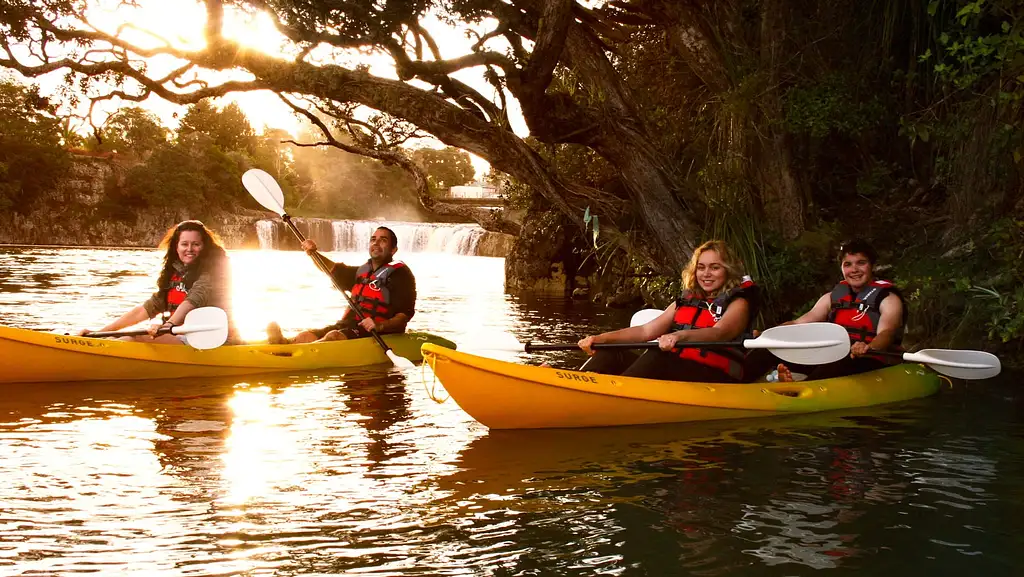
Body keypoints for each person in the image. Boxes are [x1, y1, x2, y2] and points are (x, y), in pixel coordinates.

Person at [574, 240, 759, 383]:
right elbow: (645, 331)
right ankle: (573, 385)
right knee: (612, 353)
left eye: (715, 267)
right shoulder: (687, 300)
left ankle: (612, 395)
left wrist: (679, 336)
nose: (706, 274)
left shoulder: (739, 302)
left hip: (717, 376)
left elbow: (720, 333)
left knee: (659, 355)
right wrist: (600, 339)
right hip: (679, 368)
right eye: (701, 268)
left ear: (728, 270)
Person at [751, 238, 905, 381]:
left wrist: (868, 347)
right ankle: (737, 384)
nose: (854, 269)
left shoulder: (888, 299)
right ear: (841, 268)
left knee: (838, 361)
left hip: (868, 357)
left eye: (861, 263)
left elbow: (887, 333)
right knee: (766, 350)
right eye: (848, 264)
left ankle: (800, 389)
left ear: (872, 266)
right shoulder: (832, 298)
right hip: (834, 355)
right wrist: (767, 335)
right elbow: (798, 322)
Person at [79, 220, 238, 344]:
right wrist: (99, 333)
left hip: (212, 340)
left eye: (196, 244)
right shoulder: (175, 273)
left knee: (135, 339)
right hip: (180, 336)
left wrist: (168, 325)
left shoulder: (214, 270)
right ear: (176, 247)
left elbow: (194, 299)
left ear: (204, 247)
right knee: (120, 338)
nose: (189, 249)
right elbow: (147, 308)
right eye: (184, 244)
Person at [266, 226, 416, 344]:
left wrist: (379, 326)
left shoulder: (401, 275)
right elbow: (332, 269)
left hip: (377, 332)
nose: (376, 243)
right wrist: (313, 253)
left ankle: (301, 354)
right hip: (348, 325)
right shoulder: (362, 272)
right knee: (306, 335)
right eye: (373, 239)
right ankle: (284, 343)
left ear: (393, 250)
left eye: (383, 240)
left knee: (334, 336)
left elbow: (404, 315)